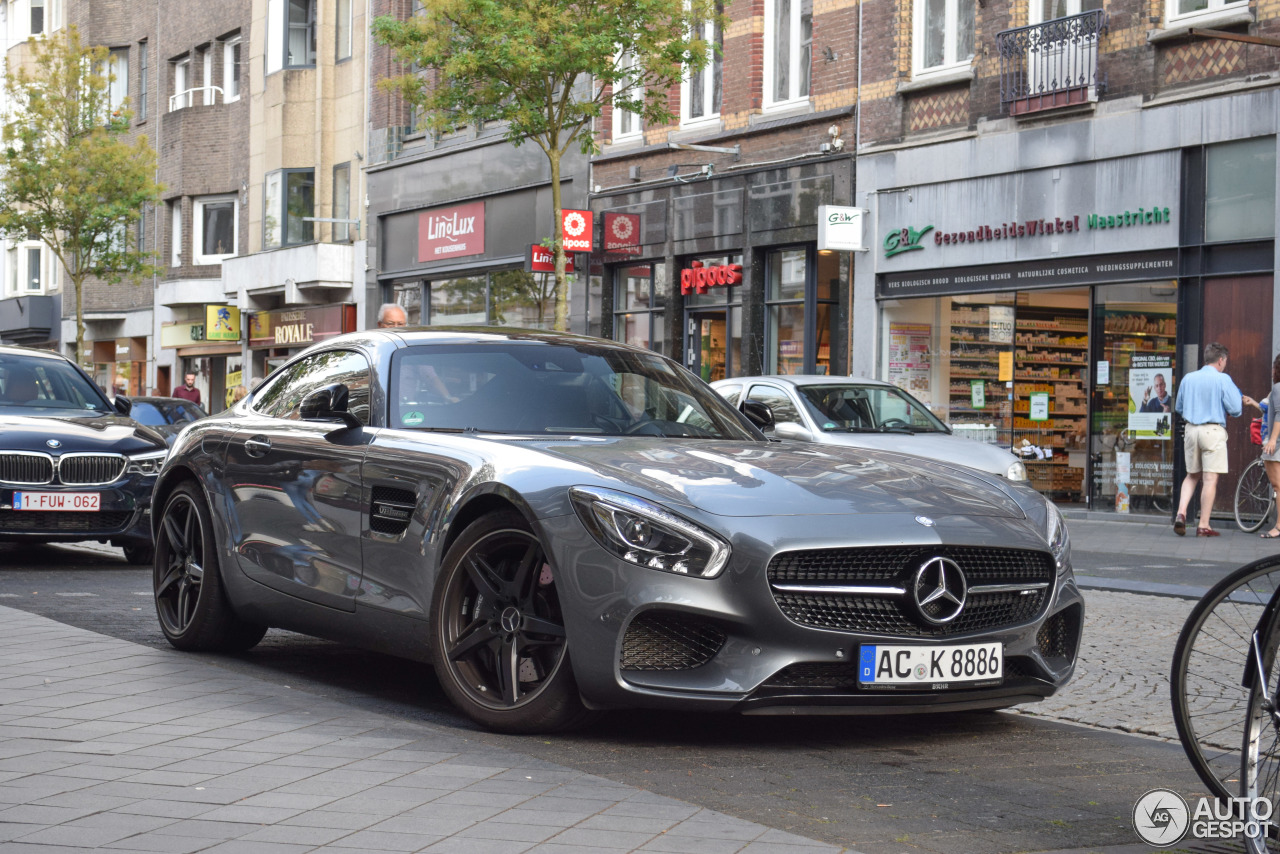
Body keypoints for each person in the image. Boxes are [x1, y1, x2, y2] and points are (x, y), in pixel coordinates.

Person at [1173, 342, 1259, 537]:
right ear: (1220, 360)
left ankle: (1181, 513)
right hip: (1212, 430)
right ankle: (1204, 525)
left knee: (1192, 475)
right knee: (1210, 479)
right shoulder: (1223, 379)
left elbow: (1179, 407)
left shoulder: (1188, 378)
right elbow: (1236, 410)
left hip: (1191, 430)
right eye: (1225, 361)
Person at [1259, 354, 1280, 539]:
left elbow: (1279, 414)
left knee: (1278, 485)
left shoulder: (1278, 388)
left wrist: (1272, 440)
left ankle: (1279, 526)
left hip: (1276, 445)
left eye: (1274, 368)